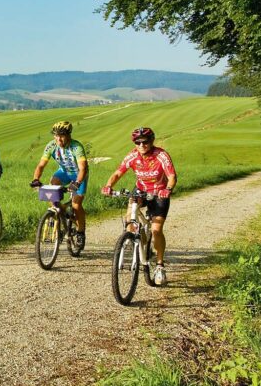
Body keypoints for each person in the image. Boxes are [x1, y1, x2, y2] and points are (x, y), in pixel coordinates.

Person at [101, 127, 177, 285]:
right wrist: (108, 186)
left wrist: (168, 189)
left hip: (159, 193)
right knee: (130, 220)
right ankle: (138, 241)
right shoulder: (132, 156)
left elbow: (171, 176)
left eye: (145, 142)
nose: (142, 145)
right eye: (137, 142)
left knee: (156, 230)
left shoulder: (161, 155)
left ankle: (160, 265)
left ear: (152, 141)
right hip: (141, 190)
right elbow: (118, 173)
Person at [29, 120, 88, 250]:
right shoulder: (51, 146)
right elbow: (41, 165)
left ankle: (80, 232)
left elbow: (83, 168)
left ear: (68, 135)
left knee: (76, 204)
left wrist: (77, 183)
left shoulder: (76, 147)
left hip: (79, 175)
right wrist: (36, 179)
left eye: (61, 135)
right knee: (52, 188)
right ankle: (59, 213)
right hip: (64, 173)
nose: (58, 138)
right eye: (55, 135)